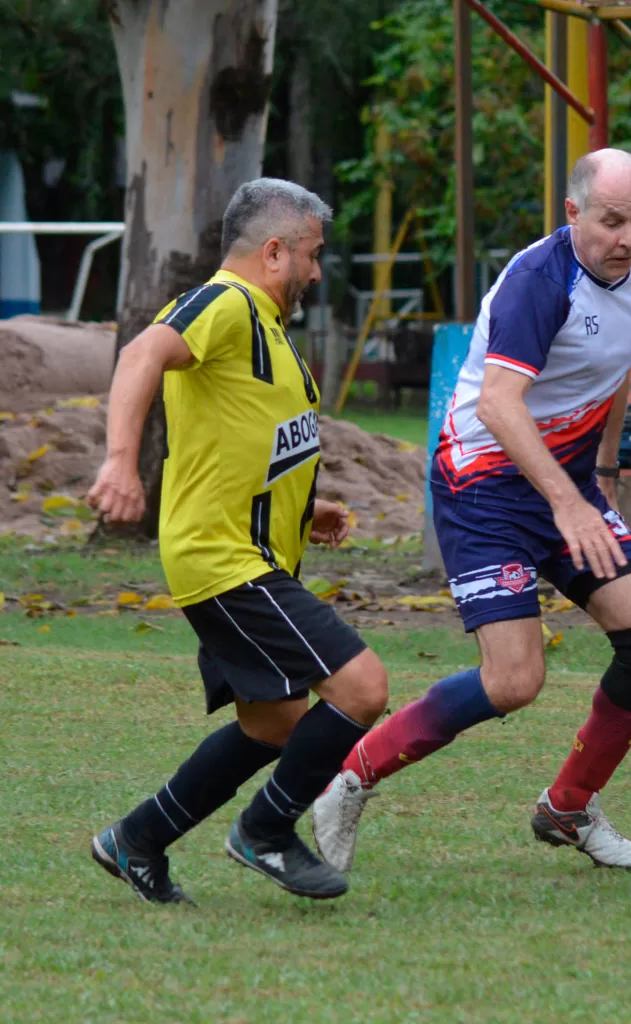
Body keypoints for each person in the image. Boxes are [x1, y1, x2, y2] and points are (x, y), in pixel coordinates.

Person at [313, 149, 631, 874]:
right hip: (483, 488)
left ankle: (570, 805)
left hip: (564, 486)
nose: (630, 239)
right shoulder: (537, 284)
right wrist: (567, 505)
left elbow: (616, 367)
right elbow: (497, 402)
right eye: (613, 221)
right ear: (573, 213)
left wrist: (601, 477)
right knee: (514, 681)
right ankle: (351, 778)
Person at [86, 179, 389, 903]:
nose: (317, 272)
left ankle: (136, 840)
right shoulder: (224, 303)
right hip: (223, 561)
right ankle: (266, 831)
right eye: (312, 256)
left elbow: (247, 436)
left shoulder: (269, 328)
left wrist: (304, 506)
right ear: (275, 250)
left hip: (246, 554)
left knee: (276, 725)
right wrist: (120, 462)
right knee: (362, 687)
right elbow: (138, 358)